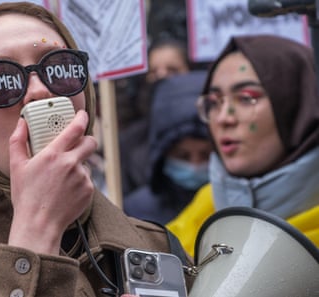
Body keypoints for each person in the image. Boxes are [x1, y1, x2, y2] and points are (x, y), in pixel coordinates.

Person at [0, 2, 193, 296]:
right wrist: (35, 241)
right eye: (1, 79)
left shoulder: (157, 247)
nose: (39, 91)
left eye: (59, 67)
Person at [166, 34, 319, 257]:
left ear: (296, 106)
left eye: (246, 98)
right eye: (214, 102)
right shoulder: (207, 203)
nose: (223, 118)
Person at [123, 71, 212, 225]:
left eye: (205, 155)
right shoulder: (135, 212)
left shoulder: (234, 206)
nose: (195, 166)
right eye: (183, 156)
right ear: (162, 155)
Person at [119, 38, 191, 197]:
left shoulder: (210, 130)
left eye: (172, 69)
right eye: (153, 71)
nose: (162, 76)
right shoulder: (130, 140)